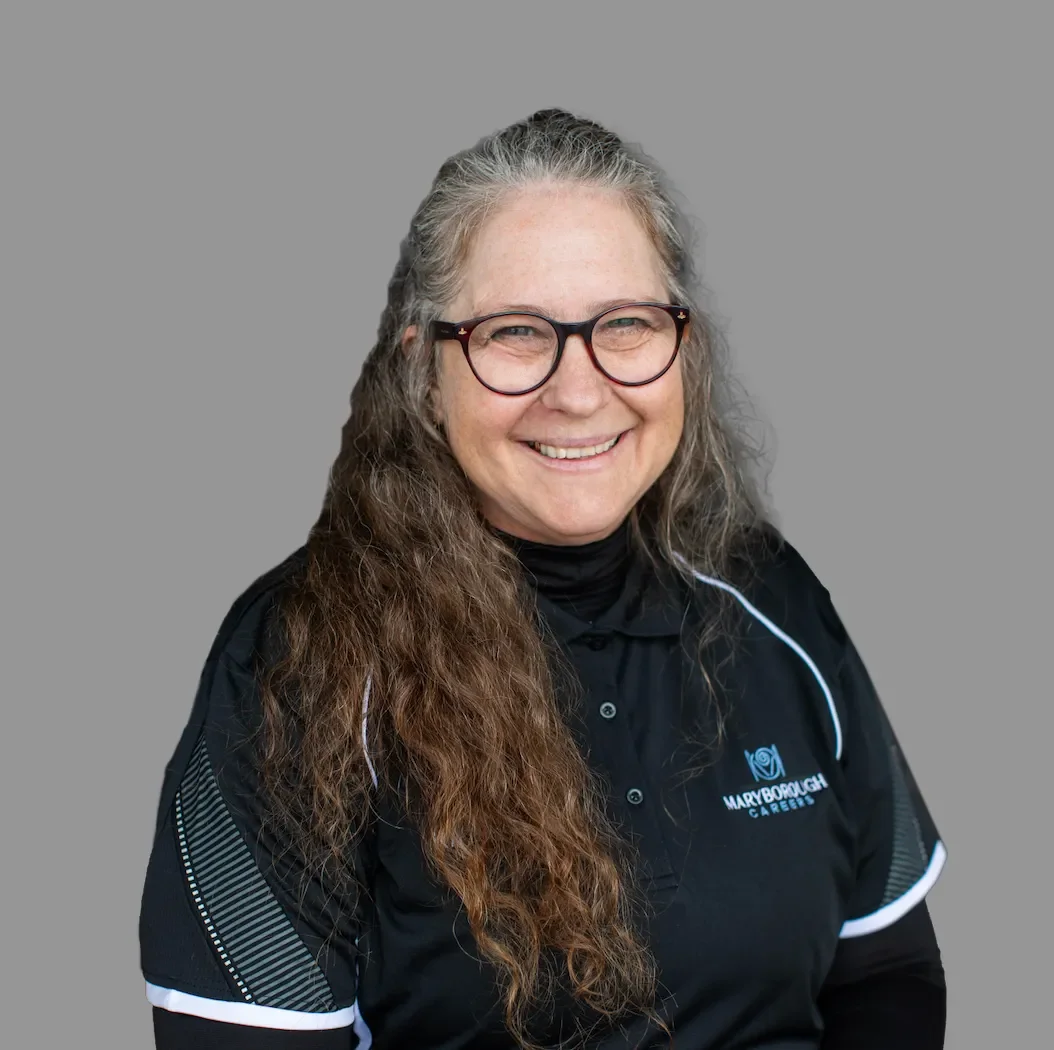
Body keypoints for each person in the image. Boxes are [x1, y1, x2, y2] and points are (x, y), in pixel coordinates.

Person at [139, 108, 947, 1049]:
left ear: (682, 345)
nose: (579, 390)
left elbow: (888, 972)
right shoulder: (301, 658)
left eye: (626, 325)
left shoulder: (771, 595)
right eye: (516, 333)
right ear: (424, 370)